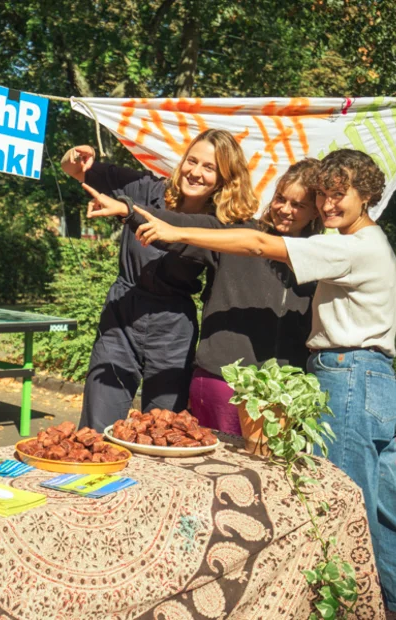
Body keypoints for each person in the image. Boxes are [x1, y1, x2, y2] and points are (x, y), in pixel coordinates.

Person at [132, 149, 396, 618]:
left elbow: (262, 246)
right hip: (375, 378)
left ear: (366, 195)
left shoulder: (353, 246)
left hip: (350, 377)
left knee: (340, 506)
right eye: (323, 195)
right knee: (384, 508)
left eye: (338, 194)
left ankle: (347, 607)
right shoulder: (371, 243)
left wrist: (176, 229)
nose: (327, 205)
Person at [84, 159, 321, 435]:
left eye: (298, 205)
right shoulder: (238, 234)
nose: (284, 210)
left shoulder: (323, 256)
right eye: (280, 199)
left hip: (283, 392)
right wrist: (128, 211)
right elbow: (183, 225)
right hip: (219, 384)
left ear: (315, 211)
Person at [61, 129, 257, 431]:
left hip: (173, 328)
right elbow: (75, 169)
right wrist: (76, 155)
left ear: (224, 178)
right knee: (97, 427)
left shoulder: (220, 226)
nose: (195, 172)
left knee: (161, 430)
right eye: (192, 161)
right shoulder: (146, 189)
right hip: (122, 315)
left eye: (209, 167)